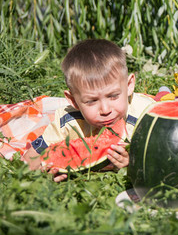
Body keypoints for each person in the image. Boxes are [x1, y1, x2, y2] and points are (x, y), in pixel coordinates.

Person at [22, 39, 155, 181]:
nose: (105, 110)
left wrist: (132, 165)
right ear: (73, 101)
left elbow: (164, 160)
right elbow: (29, 159)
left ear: (129, 86)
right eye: (92, 101)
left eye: (113, 96)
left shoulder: (147, 116)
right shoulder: (67, 121)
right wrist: (46, 168)